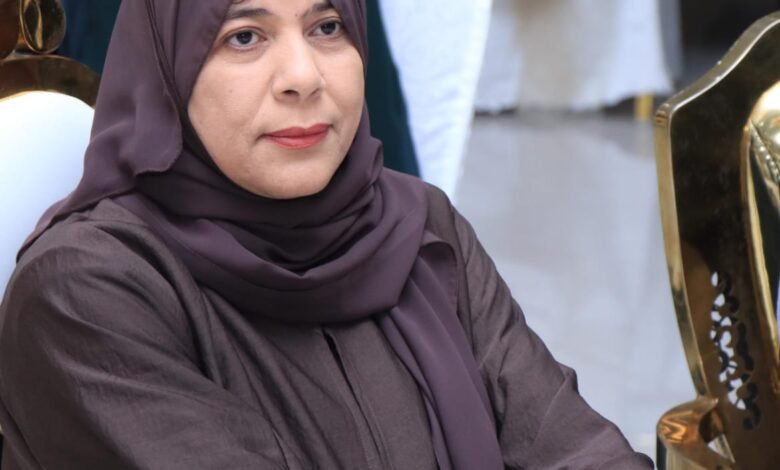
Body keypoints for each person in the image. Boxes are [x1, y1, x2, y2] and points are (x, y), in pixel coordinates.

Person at [0, 1, 653, 469]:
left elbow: (572, 445)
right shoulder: (88, 291)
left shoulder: (417, 225)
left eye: (328, 27)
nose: (304, 76)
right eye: (245, 36)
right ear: (167, 70)